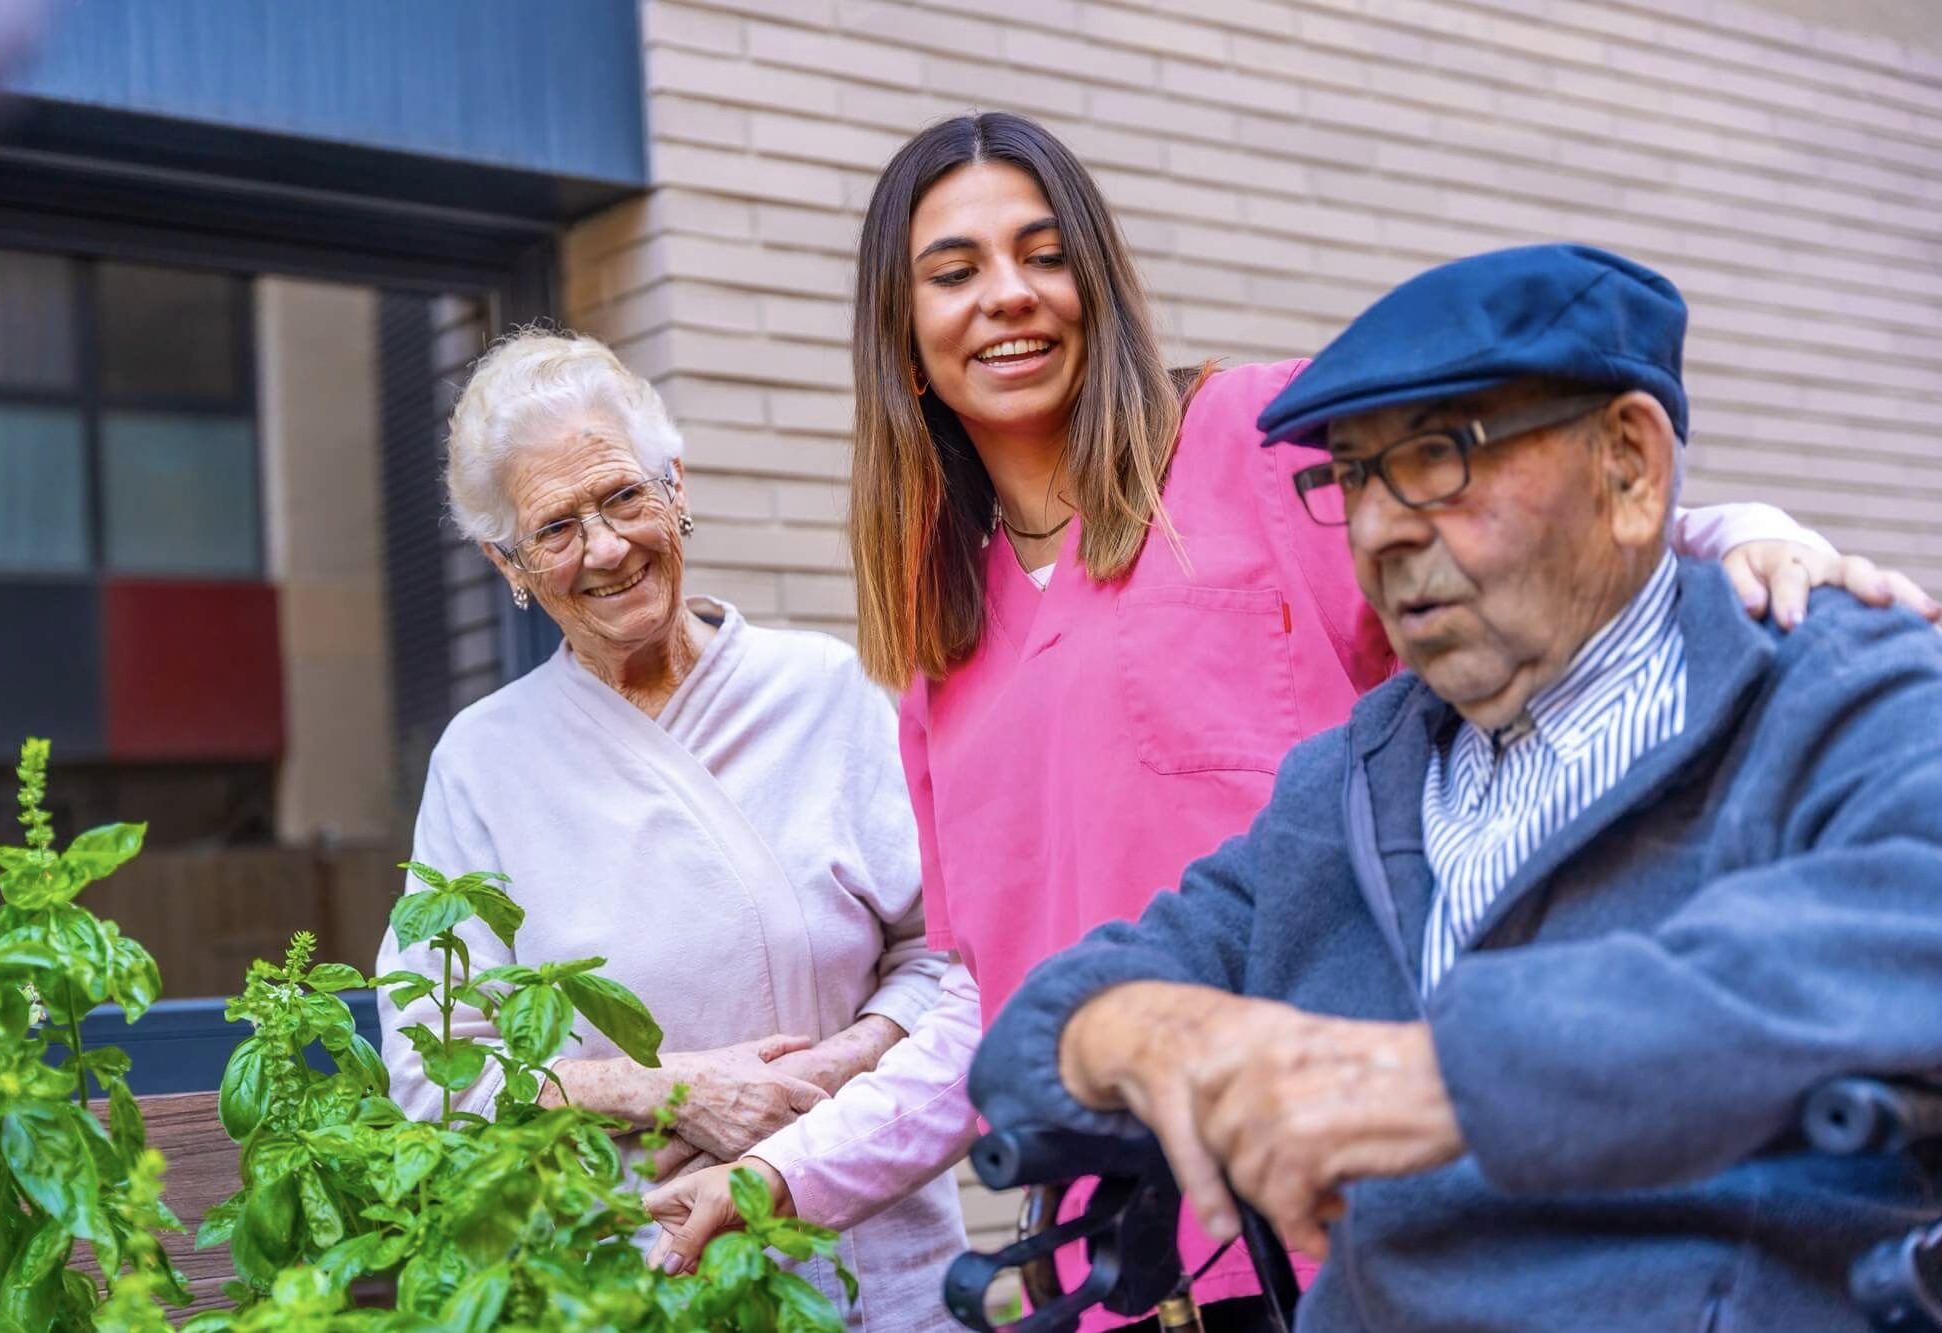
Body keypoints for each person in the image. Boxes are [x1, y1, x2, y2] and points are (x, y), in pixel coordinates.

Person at [642, 114, 1939, 1329]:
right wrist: (792, 1171)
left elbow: (1560, 533)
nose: (1008, 295)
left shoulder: (1268, 446)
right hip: (1136, 1257)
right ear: (899, 328)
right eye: (954, 268)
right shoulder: (952, 652)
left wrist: (1764, 544)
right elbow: (1004, 1005)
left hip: (1376, 1222)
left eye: (1044, 253)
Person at [970, 243, 1942, 1333]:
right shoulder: (1345, 781)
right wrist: (1151, 1032)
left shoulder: (1831, 692)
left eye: (1437, 457)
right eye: (1348, 475)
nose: (1379, 525)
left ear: (1628, 466)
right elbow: (1030, 1031)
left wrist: (1447, 1076)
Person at [375, 329, 965, 1333]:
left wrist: (834, 1066)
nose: (603, 548)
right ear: (507, 563)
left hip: (869, 1257)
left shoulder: (820, 692)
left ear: (676, 483)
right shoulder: (482, 761)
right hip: (633, 1286)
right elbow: (437, 1065)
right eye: (555, 527)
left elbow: (950, 954)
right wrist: (663, 1090)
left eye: (621, 497)